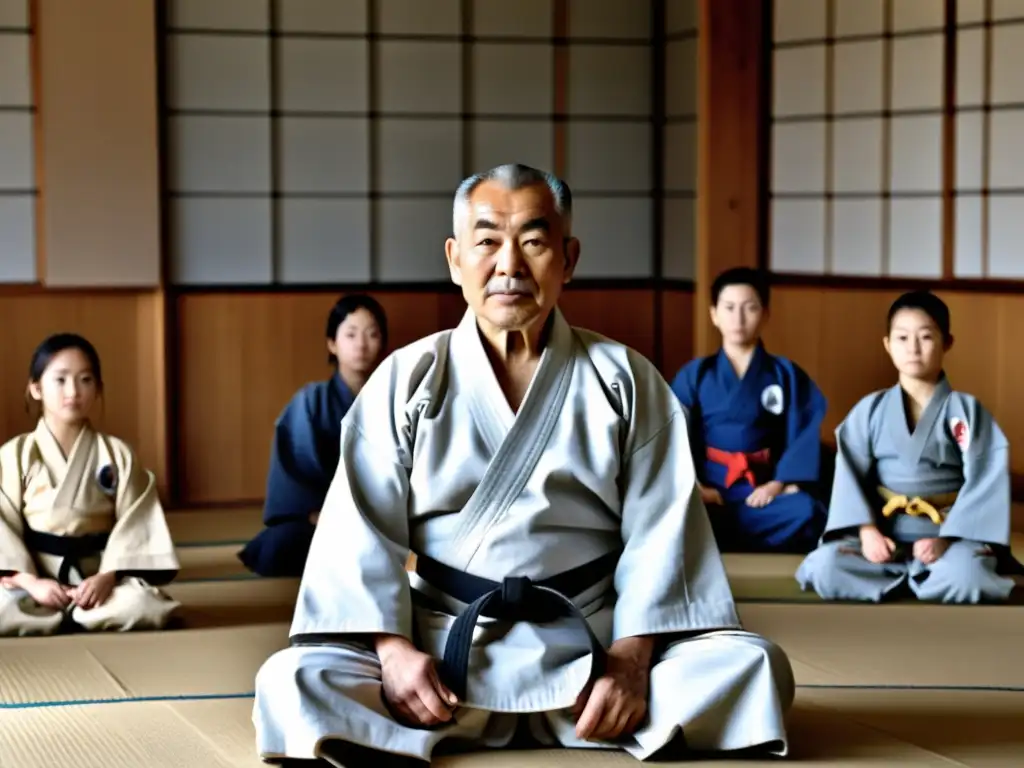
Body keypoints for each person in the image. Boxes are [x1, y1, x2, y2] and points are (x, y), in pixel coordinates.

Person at [251, 164, 794, 767]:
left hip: (593, 648)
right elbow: (359, 534)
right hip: (441, 653)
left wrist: (633, 662)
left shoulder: (624, 379)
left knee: (755, 668)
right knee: (291, 681)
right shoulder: (406, 380)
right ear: (456, 260)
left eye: (534, 242)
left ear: (568, 258)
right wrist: (393, 651)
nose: (509, 265)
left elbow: (664, 534)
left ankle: (613, 703)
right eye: (487, 242)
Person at [796, 291, 1020, 603]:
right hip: (883, 537)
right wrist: (867, 532)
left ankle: (909, 581)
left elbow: (985, 479)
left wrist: (945, 539)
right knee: (824, 567)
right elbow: (850, 478)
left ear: (947, 342)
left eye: (926, 337)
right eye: (902, 338)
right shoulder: (870, 410)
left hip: (950, 540)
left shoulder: (966, 411)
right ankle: (919, 583)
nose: (913, 348)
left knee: (969, 577)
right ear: (887, 344)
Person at [0, 333, 181, 636]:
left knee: (144, 605)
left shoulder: (117, 455)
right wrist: (32, 583)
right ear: (36, 389)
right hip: (36, 582)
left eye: (85, 380)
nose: (73, 391)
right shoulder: (14, 456)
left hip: (99, 582)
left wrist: (107, 577)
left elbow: (136, 524)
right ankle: (59, 610)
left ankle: (65, 614)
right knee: (4, 608)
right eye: (60, 380)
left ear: (98, 388)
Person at [669, 268, 829, 554]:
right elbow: (673, 435)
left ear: (765, 314)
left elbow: (802, 434)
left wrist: (777, 485)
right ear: (714, 314)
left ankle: (722, 541)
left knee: (806, 510)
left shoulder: (785, 374)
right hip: (711, 493)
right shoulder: (695, 375)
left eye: (750, 308)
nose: (738, 318)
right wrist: (696, 486)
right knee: (678, 513)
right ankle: (741, 537)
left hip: (764, 492)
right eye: (729, 308)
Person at [238, 295, 388, 578]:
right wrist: (320, 515)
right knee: (283, 546)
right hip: (322, 518)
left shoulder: (395, 399)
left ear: (383, 341)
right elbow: (296, 469)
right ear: (332, 343)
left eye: (372, 334)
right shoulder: (310, 401)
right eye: (351, 334)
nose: (361, 344)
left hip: (382, 518)